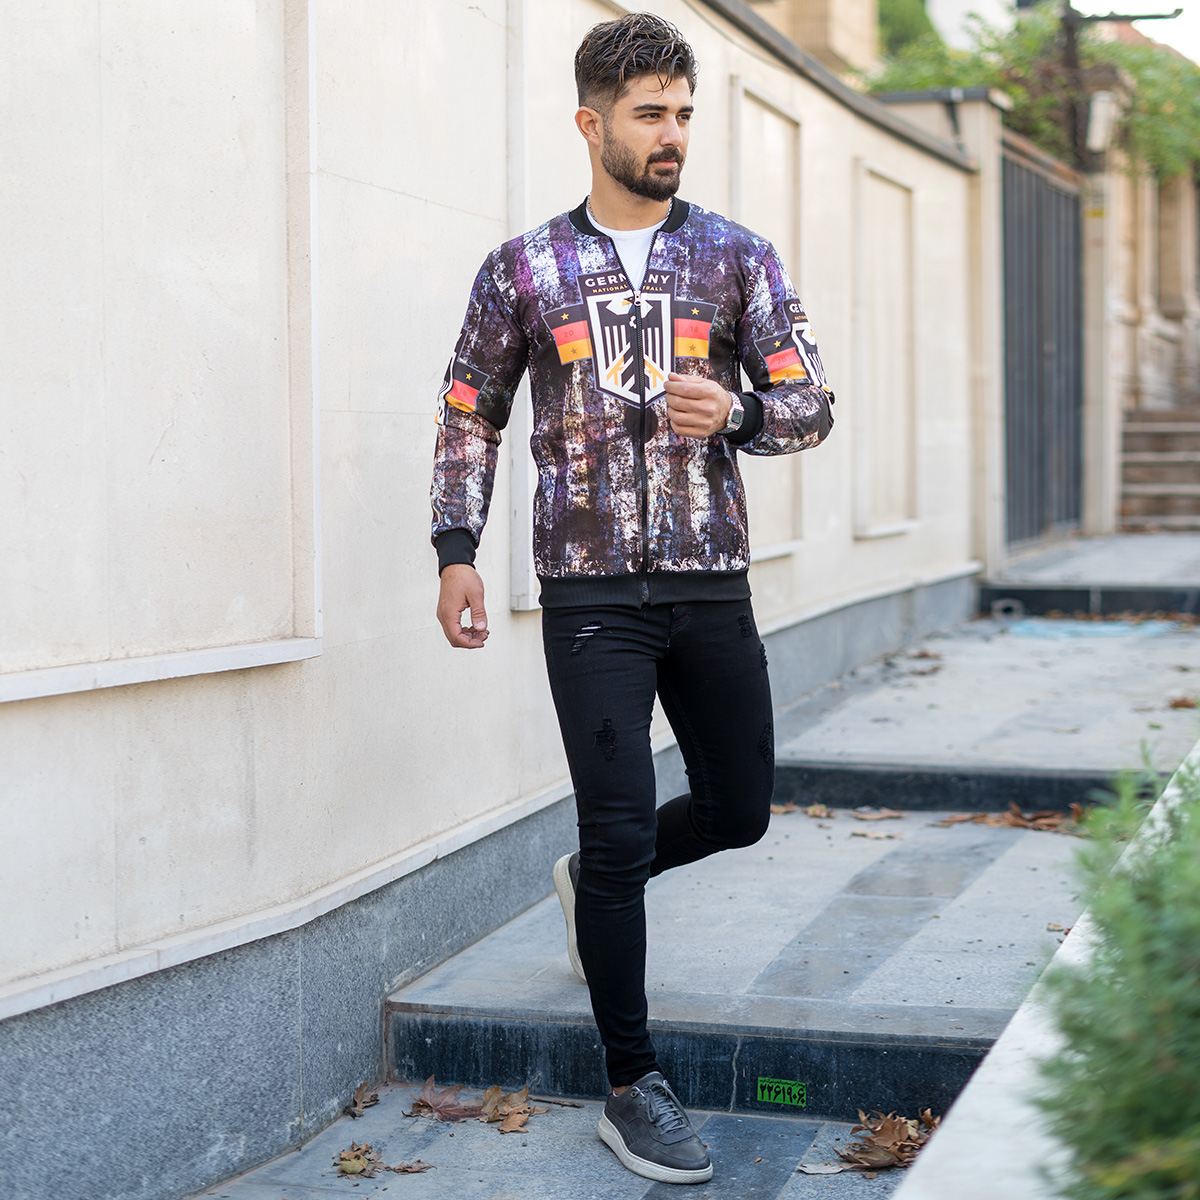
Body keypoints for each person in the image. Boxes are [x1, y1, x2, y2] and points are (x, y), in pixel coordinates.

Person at [430, 12, 833, 1185]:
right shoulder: (523, 269)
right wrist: (456, 547)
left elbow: (811, 403)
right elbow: (468, 413)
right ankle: (631, 1083)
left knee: (739, 809)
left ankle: (596, 884)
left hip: (710, 583)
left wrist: (743, 413)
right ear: (590, 123)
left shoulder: (739, 258)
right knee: (615, 831)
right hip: (590, 593)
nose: (673, 135)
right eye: (651, 114)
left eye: (683, 114)